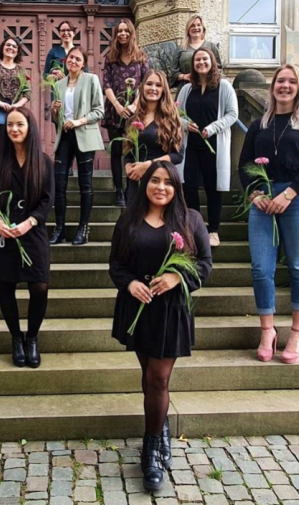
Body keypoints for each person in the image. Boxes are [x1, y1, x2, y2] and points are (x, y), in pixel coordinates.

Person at [108, 161, 212, 492]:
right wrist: (129, 284)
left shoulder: (190, 219)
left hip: (171, 310)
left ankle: (151, 450)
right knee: (149, 376)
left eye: (168, 182)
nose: (161, 187)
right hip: (138, 308)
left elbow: (205, 266)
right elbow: (115, 264)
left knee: (159, 378)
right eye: (155, 180)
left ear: (176, 186)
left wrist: (176, 276)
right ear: (146, 184)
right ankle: (161, 426)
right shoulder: (129, 219)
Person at [238, 65, 299, 365]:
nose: (285, 86)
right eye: (280, 81)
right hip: (264, 202)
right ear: (272, 86)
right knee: (261, 268)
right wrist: (256, 193)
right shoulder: (258, 126)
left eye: (291, 81)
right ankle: (267, 331)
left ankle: (297, 332)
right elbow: (245, 164)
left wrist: (289, 193)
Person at [0, 109, 54, 368]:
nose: (14, 129)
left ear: (29, 127)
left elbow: (48, 199)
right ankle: (16, 338)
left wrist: (30, 222)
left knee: (39, 286)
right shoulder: (0, 161)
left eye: (19, 124)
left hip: (32, 231)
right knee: (6, 286)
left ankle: (32, 338)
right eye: (10, 125)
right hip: (3, 232)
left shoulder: (44, 161)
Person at [175, 48, 239, 247]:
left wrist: (212, 128)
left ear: (212, 62)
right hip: (191, 145)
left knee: (213, 188)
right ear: (193, 65)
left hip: (214, 145)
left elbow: (232, 114)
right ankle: (196, 228)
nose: (201, 62)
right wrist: (186, 125)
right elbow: (177, 114)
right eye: (197, 60)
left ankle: (213, 230)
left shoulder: (224, 87)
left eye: (204, 59)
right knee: (189, 186)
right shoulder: (187, 89)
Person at [50, 47, 104, 246]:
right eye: (71, 57)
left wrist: (78, 121)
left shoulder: (91, 79)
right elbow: (56, 119)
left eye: (77, 58)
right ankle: (60, 229)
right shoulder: (59, 84)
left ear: (83, 63)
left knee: (85, 185)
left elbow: (99, 111)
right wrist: (55, 112)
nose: (73, 60)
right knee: (59, 184)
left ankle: (83, 229)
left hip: (84, 136)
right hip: (64, 136)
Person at [102, 19, 150, 207]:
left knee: (132, 149)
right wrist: (117, 105)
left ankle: (133, 188)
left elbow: (146, 82)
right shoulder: (110, 58)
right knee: (115, 151)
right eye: (119, 31)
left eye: (126, 31)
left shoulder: (142, 57)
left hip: (135, 112)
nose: (122, 34)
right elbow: (106, 84)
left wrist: (133, 106)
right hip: (114, 111)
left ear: (131, 33)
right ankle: (118, 190)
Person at [123, 70, 185, 203]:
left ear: (164, 89)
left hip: (161, 181)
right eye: (149, 84)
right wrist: (128, 168)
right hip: (137, 181)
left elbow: (178, 155)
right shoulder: (133, 119)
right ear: (142, 87)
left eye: (158, 85)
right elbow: (128, 153)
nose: (153, 88)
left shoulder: (172, 118)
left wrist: (149, 165)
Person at [0, 37, 31, 164]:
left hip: (16, 110)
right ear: (3, 48)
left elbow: (27, 92)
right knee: (1, 142)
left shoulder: (21, 70)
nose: (11, 48)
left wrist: (17, 105)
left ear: (17, 51)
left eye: (14, 46)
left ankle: (12, 175)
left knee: (16, 144)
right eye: (8, 45)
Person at [169, 15, 222, 90]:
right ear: (188, 29)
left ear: (203, 28)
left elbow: (219, 69)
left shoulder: (211, 46)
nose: (196, 28)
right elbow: (173, 74)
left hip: (208, 88)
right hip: (186, 88)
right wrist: (184, 76)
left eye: (199, 25)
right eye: (192, 26)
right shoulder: (181, 48)